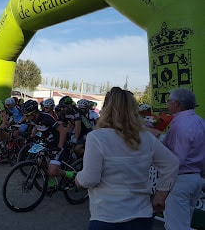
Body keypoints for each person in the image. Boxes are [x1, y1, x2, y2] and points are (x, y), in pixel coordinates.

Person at [73, 87, 179, 230]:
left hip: (108, 217)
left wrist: (78, 179)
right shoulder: (146, 137)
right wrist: (161, 195)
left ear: (106, 108)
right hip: (142, 216)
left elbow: (90, 179)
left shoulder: (97, 137)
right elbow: (171, 163)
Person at [162, 88, 205, 230]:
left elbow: (175, 160)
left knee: (176, 226)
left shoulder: (180, 125)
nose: (167, 104)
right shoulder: (199, 121)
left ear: (176, 104)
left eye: (169, 101)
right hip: (195, 178)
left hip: (180, 180)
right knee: (184, 223)